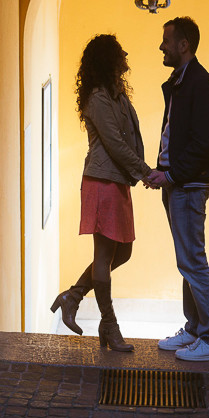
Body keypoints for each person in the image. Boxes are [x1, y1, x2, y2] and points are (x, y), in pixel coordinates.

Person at [51, 34, 154, 352]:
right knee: (105, 256)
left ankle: (73, 295)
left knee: (122, 253)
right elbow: (114, 143)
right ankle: (109, 326)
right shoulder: (98, 98)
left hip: (117, 182)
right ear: (108, 60)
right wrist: (144, 171)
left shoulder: (117, 94)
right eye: (118, 52)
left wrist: (143, 170)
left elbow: (130, 137)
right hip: (102, 183)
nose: (126, 53)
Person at [146, 16, 209, 361]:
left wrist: (172, 175)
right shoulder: (182, 83)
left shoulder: (200, 84)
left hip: (188, 186)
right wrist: (163, 170)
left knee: (193, 260)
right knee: (187, 260)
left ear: (184, 45)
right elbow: (176, 137)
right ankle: (195, 329)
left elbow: (202, 143)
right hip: (179, 182)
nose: (161, 46)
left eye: (167, 41)